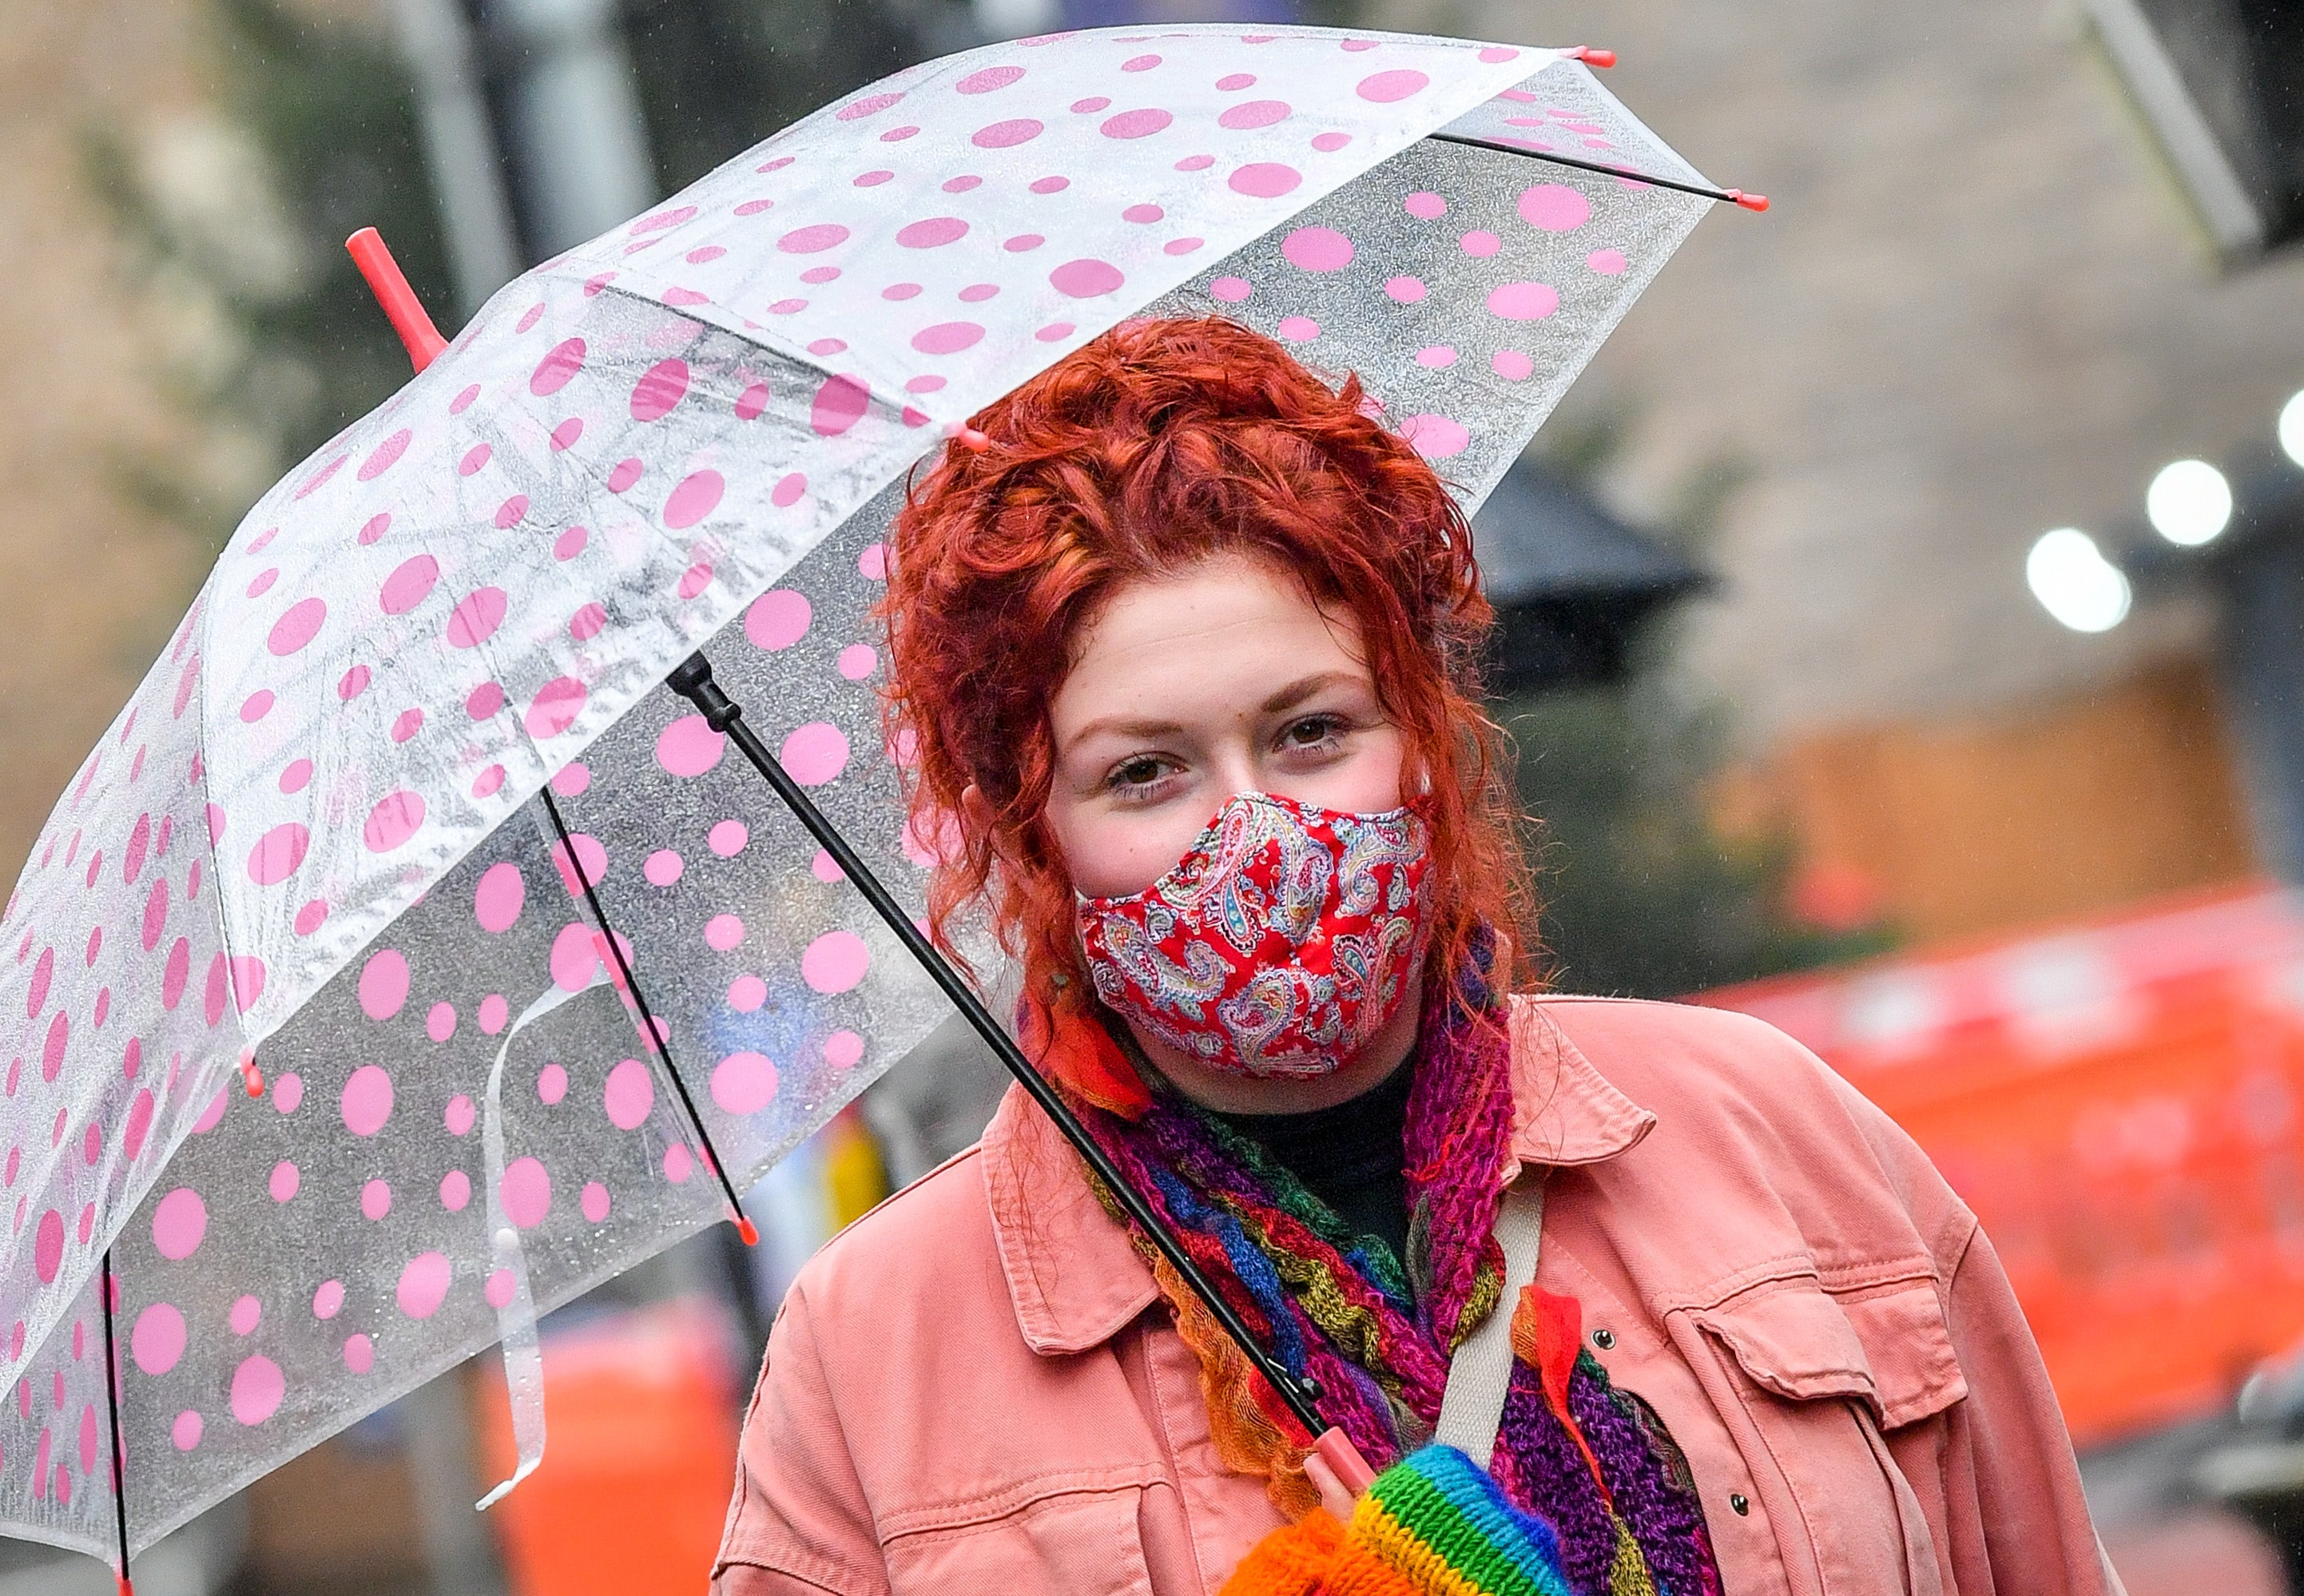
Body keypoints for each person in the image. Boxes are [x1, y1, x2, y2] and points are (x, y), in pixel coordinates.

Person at [709, 317, 2122, 1596]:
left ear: (1423, 740)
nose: (1251, 829)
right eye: (1144, 771)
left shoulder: (1772, 1130)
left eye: (1311, 730)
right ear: (1034, 833)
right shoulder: (878, 1351)